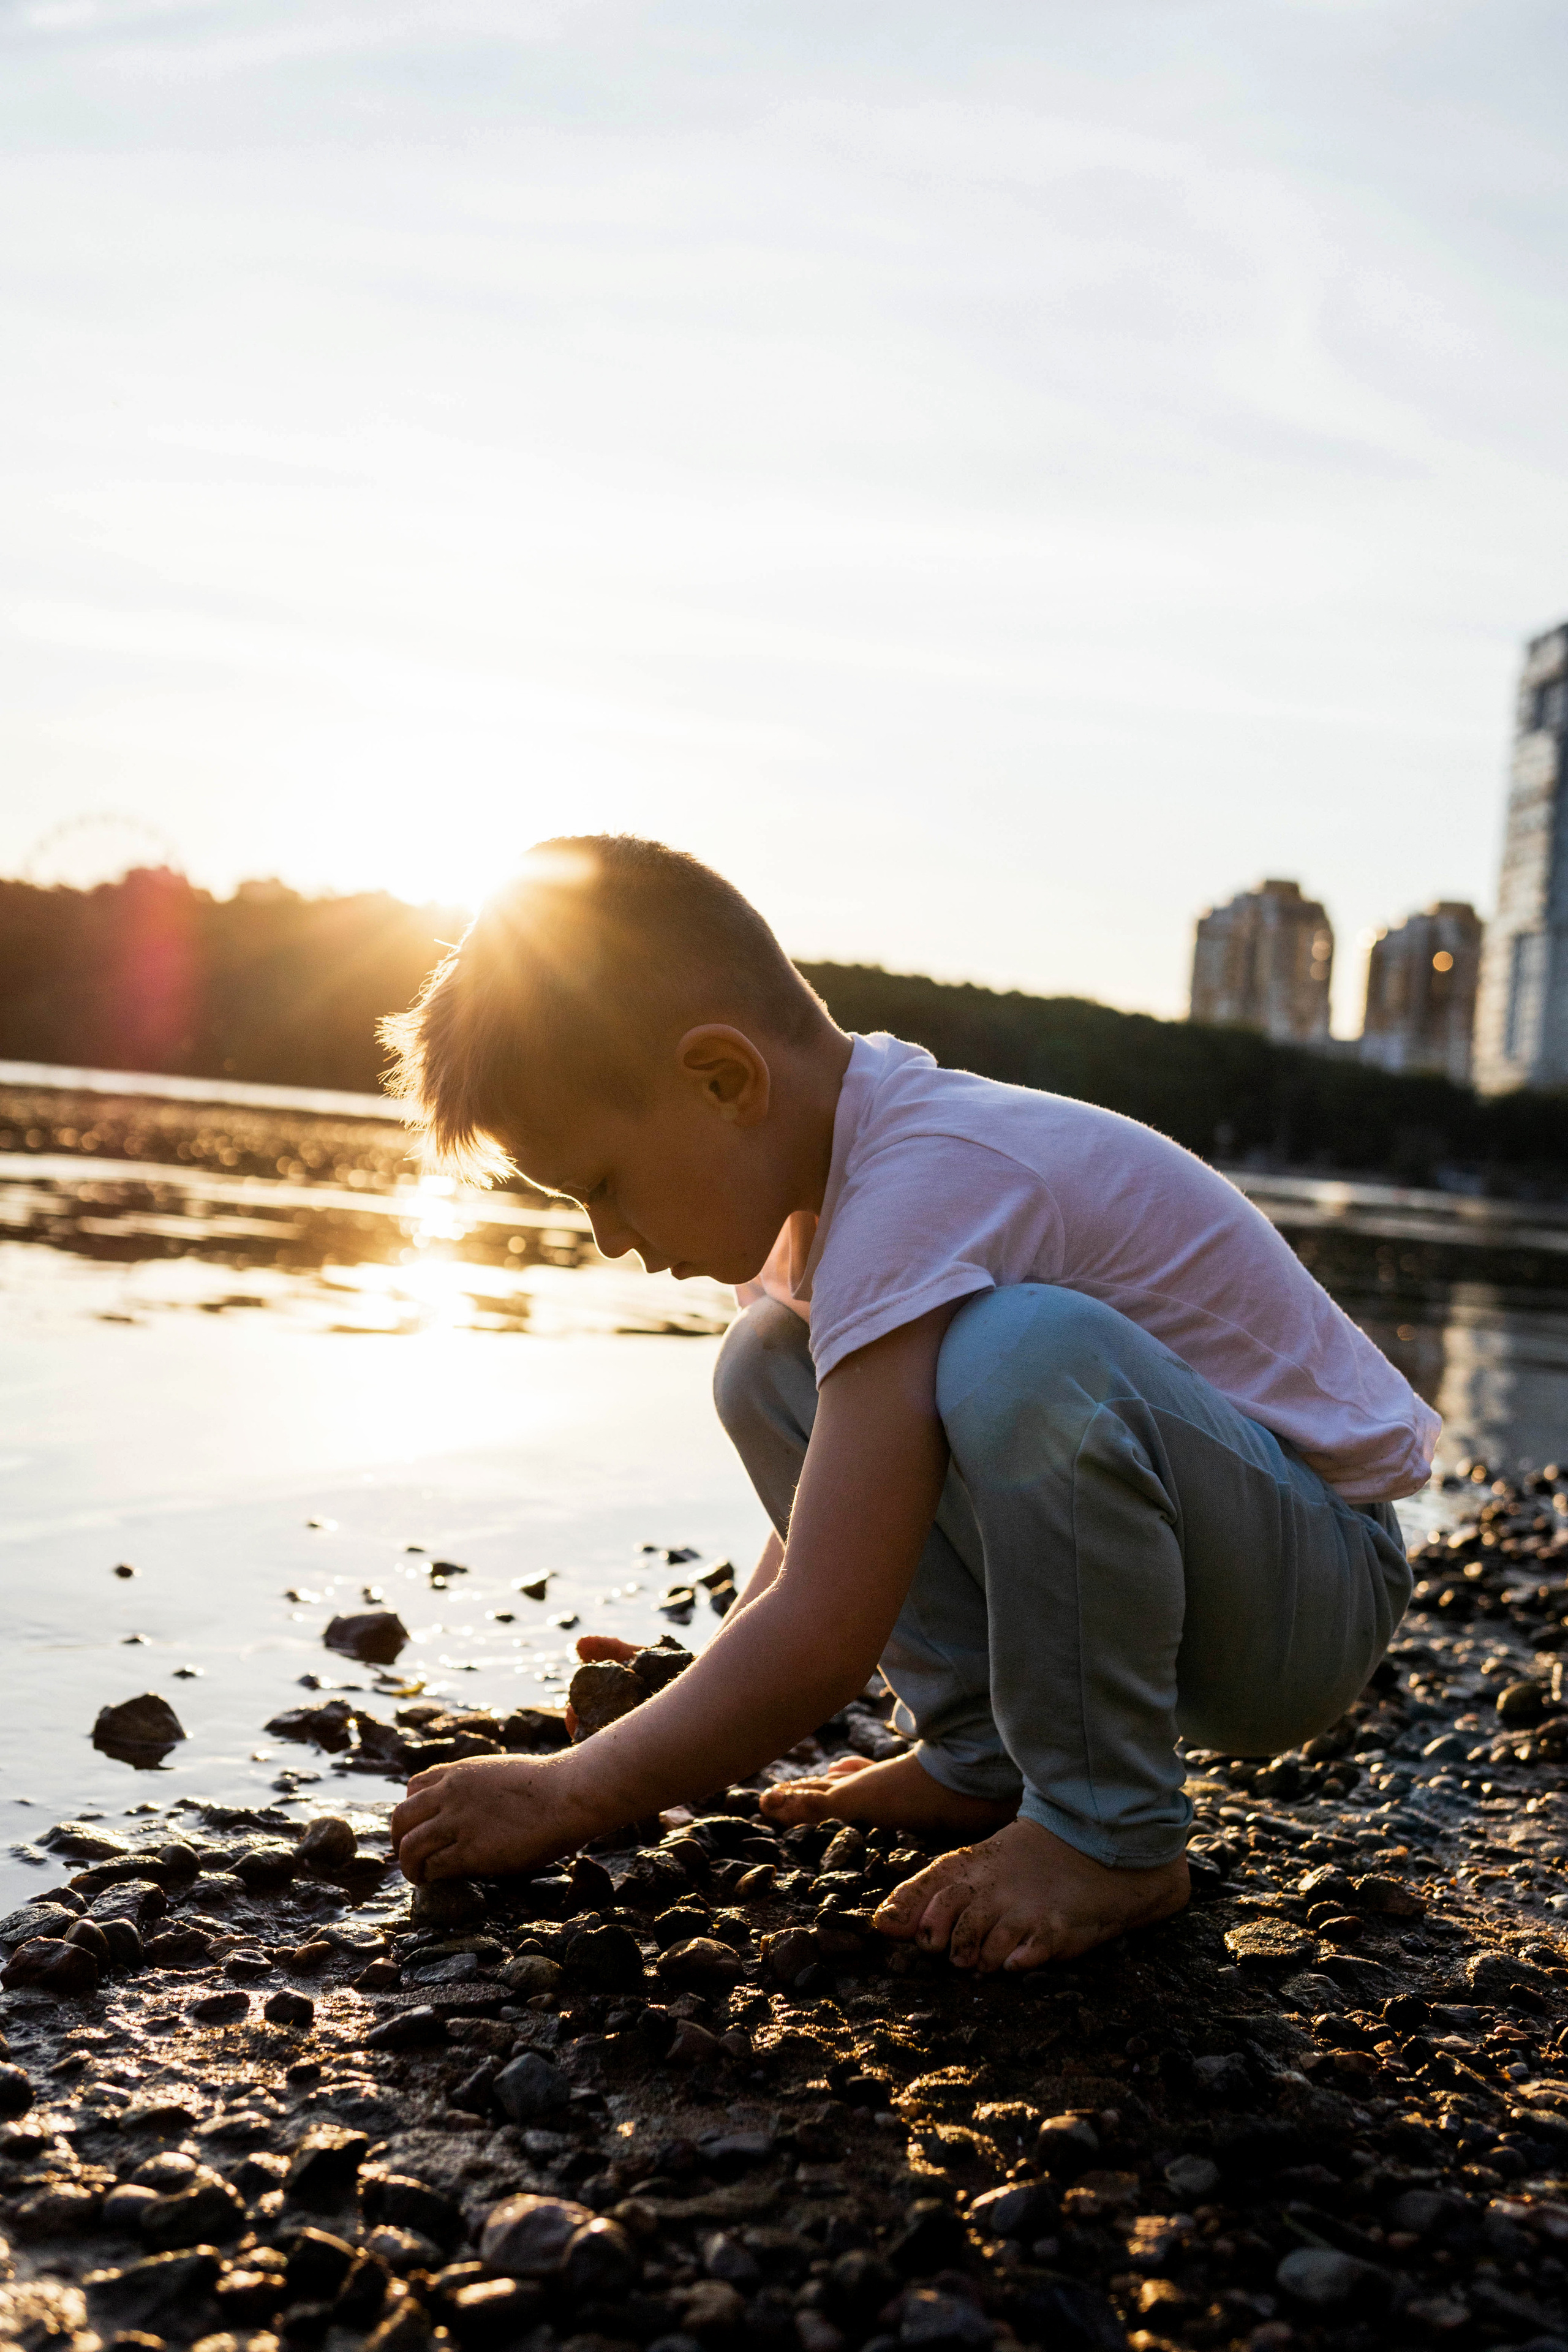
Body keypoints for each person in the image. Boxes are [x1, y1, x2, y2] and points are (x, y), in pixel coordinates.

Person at [382, 835, 1431, 1973]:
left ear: (725, 1080)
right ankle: (985, 1751)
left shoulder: (924, 1180)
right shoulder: (818, 1209)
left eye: (604, 1184)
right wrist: (687, 1696)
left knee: (1027, 1357)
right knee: (764, 1363)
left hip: (1305, 1592)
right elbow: (829, 1524)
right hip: (1204, 1570)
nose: (611, 1238)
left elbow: (830, 1625)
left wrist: (572, 1793)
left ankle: (1110, 1833)